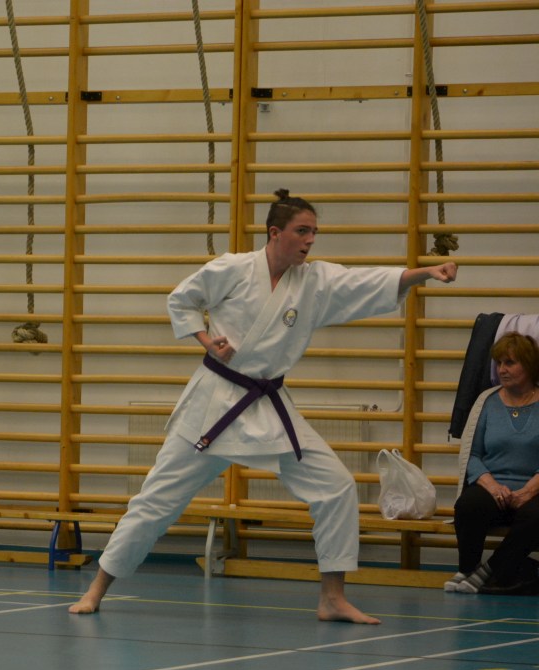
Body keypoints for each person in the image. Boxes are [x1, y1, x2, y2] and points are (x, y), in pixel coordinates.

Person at [69, 188, 458, 624]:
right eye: (302, 231)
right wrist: (206, 340)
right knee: (156, 500)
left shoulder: (314, 282)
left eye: (314, 232)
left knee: (336, 487)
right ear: (275, 233)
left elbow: (367, 281)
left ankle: (332, 597)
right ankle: (96, 589)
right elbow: (181, 299)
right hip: (214, 407)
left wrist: (425, 273)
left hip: (269, 407)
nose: (310, 240)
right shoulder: (233, 269)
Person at [448, 331, 539, 595]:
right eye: (499, 363)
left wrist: (527, 491)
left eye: (509, 363)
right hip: (494, 489)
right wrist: (493, 486)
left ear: (529, 365)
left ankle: (489, 570)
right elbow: (472, 454)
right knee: (468, 505)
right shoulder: (486, 402)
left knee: (536, 516)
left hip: (533, 492)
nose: (502, 370)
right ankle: (468, 569)